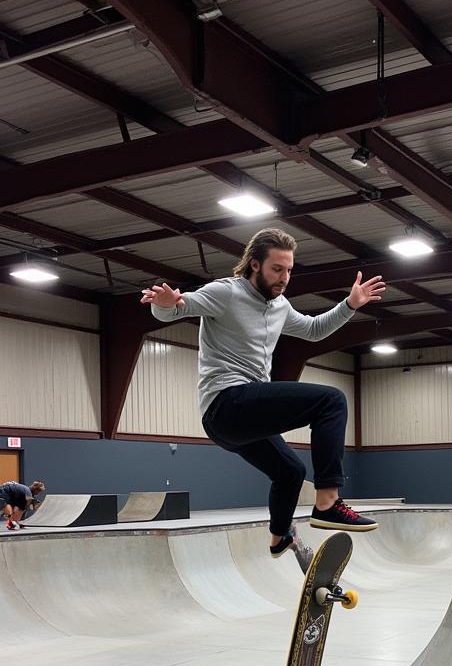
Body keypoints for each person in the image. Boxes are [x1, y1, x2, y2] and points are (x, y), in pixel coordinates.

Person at [141, 227, 386, 572]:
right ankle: (328, 502)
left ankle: (279, 537)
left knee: (291, 471)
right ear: (254, 265)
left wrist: (349, 305)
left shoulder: (280, 305)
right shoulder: (225, 292)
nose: (284, 278)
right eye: (277, 269)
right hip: (226, 402)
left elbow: (314, 330)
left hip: (241, 420)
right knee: (331, 400)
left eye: (289, 270)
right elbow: (177, 308)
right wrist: (164, 306)